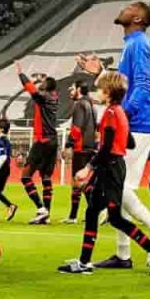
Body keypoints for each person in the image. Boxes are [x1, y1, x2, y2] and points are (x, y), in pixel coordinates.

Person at [84, 2, 150, 270]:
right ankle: (123, 255)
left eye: (129, 7)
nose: (122, 9)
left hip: (135, 125)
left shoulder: (139, 44)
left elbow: (144, 87)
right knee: (122, 191)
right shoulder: (133, 44)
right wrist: (101, 73)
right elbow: (126, 87)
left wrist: (120, 115)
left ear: (136, 17)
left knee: (119, 189)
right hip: (134, 123)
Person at [58, 71, 150, 276]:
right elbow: (130, 142)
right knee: (92, 211)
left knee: (116, 218)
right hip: (113, 166)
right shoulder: (119, 112)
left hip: (110, 168)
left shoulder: (110, 114)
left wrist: (87, 168)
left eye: (100, 89)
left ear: (108, 92)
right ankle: (84, 262)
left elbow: (107, 147)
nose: (97, 92)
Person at [14, 60, 59, 225]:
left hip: (42, 141)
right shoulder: (54, 97)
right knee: (46, 177)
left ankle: (41, 209)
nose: (41, 84)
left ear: (47, 87)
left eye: (43, 82)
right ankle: (46, 214)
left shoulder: (44, 98)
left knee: (25, 177)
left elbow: (32, 90)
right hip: (53, 141)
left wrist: (21, 74)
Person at [62, 81, 97, 224]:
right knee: (81, 182)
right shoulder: (92, 105)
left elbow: (77, 128)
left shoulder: (79, 105)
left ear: (78, 90)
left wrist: (68, 144)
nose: (70, 90)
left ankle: (80, 214)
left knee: (77, 181)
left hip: (81, 147)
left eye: (72, 88)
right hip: (90, 147)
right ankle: (86, 213)